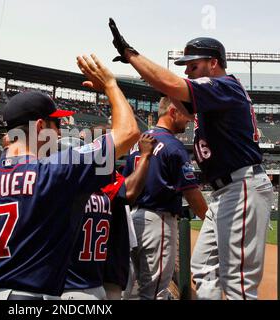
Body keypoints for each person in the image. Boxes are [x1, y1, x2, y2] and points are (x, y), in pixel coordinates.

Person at [0, 54, 141, 299]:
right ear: (40, 127)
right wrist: (110, 85)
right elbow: (128, 132)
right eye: (57, 125)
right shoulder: (57, 170)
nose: (60, 133)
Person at [108, 19, 274, 300]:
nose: (187, 71)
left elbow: (170, 83)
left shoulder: (225, 86)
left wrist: (131, 55)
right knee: (204, 267)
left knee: (238, 281)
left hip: (242, 185)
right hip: (225, 191)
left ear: (213, 63)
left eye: (193, 65)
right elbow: (170, 90)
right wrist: (111, 85)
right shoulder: (212, 96)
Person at [123, 97, 207, 300]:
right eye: (186, 115)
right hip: (157, 222)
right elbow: (191, 192)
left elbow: (125, 184)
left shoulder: (138, 143)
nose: (188, 120)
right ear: (172, 112)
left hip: (133, 222)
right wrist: (210, 220)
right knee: (155, 292)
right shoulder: (173, 146)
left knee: (134, 288)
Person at [62, 133, 156, 300]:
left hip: (92, 272)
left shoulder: (59, 189)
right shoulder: (97, 181)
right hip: (99, 272)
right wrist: (145, 156)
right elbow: (130, 192)